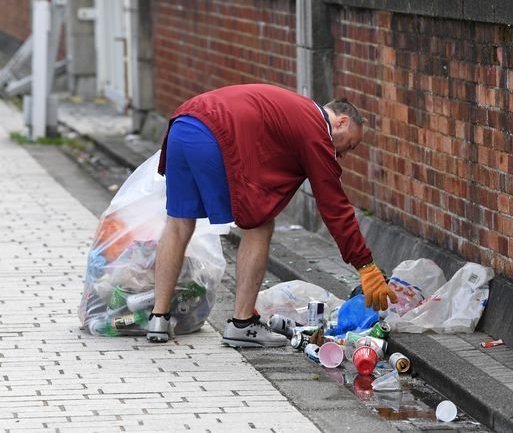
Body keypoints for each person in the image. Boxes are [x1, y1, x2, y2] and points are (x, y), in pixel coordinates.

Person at [147, 83, 398, 346]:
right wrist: (366, 266)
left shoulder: (295, 111)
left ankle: (158, 318)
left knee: (177, 223)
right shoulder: (315, 128)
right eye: (351, 145)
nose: (343, 155)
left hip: (182, 124)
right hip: (214, 134)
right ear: (342, 122)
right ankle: (241, 324)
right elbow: (334, 205)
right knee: (259, 226)